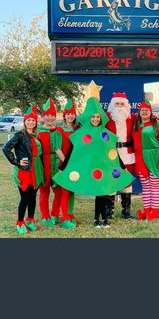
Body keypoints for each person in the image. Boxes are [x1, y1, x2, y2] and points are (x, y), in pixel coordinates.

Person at [53, 96, 134, 229]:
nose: (95, 119)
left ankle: (105, 220)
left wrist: (122, 166)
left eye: (97, 117)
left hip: (104, 168)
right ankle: (97, 219)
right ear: (89, 118)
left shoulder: (105, 133)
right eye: (93, 117)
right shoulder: (81, 133)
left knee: (103, 193)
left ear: (100, 118)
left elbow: (113, 151)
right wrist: (64, 167)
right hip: (91, 169)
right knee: (98, 194)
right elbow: (72, 152)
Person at [2, 105, 44, 235]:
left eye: (33, 120)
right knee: (25, 198)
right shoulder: (20, 135)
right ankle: (20, 222)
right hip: (24, 171)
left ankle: (30, 220)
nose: (31, 122)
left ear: (36, 122)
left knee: (32, 198)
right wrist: (16, 161)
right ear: (25, 122)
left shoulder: (36, 135)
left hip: (36, 170)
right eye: (28, 120)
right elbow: (6, 148)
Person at [132, 100, 159, 220]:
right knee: (146, 186)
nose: (144, 112)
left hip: (154, 156)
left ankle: (155, 210)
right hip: (140, 158)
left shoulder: (157, 125)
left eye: (146, 110)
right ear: (139, 111)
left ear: (150, 111)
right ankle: (147, 210)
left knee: (155, 184)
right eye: (142, 110)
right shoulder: (136, 124)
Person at [106, 92, 136, 220]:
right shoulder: (106, 117)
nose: (119, 106)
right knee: (111, 181)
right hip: (111, 154)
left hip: (128, 154)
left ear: (126, 105)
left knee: (127, 182)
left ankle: (126, 211)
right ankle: (109, 211)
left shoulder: (132, 117)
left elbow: (147, 119)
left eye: (122, 104)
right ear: (112, 105)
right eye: (117, 104)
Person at [38, 98, 64, 226]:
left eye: (52, 116)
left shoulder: (59, 131)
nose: (50, 118)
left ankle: (55, 214)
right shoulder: (38, 132)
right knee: (44, 192)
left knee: (58, 192)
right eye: (47, 116)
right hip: (43, 164)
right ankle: (45, 216)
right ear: (44, 117)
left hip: (57, 164)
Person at [56, 99, 80, 229]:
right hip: (64, 163)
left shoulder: (78, 129)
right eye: (68, 113)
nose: (70, 116)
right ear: (64, 115)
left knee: (71, 191)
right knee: (65, 191)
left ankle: (70, 214)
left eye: (73, 113)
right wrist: (66, 163)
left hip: (75, 164)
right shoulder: (60, 130)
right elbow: (57, 148)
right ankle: (64, 217)